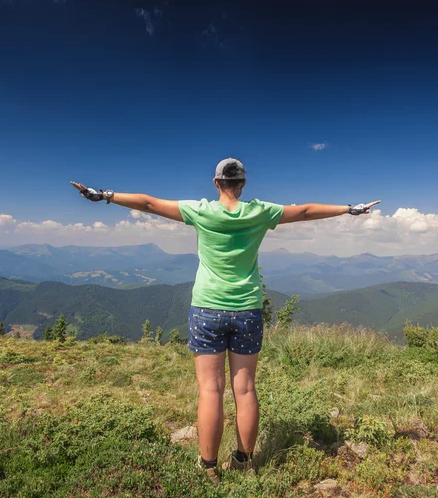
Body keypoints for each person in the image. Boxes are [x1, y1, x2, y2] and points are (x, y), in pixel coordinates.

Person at [71, 158, 379, 484]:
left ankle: (208, 467)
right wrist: (349, 209)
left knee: (210, 390)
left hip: (206, 309)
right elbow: (304, 211)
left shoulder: (200, 211)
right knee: (244, 389)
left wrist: (103, 195)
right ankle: (244, 461)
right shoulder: (261, 212)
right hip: (247, 310)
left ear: (216, 183)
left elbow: (148, 203)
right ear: (243, 185)